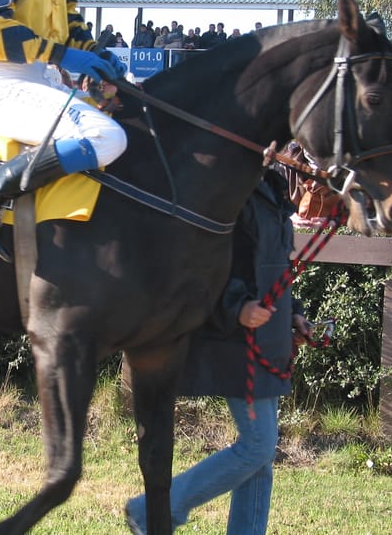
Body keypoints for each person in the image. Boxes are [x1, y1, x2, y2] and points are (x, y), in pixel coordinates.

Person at [125, 168, 311, 535]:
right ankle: (150, 511)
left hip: (268, 336)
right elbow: (202, 262)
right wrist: (237, 306)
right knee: (258, 444)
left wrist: (294, 314)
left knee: (261, 455)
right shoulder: (228, 187)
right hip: (237, 340)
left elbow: (274, 266)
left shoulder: (271, 190)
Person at [0, 0, 127, 262]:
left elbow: (69, 25)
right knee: (107, 137)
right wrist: (62, 55)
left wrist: (96, 54)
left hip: (40, 77)